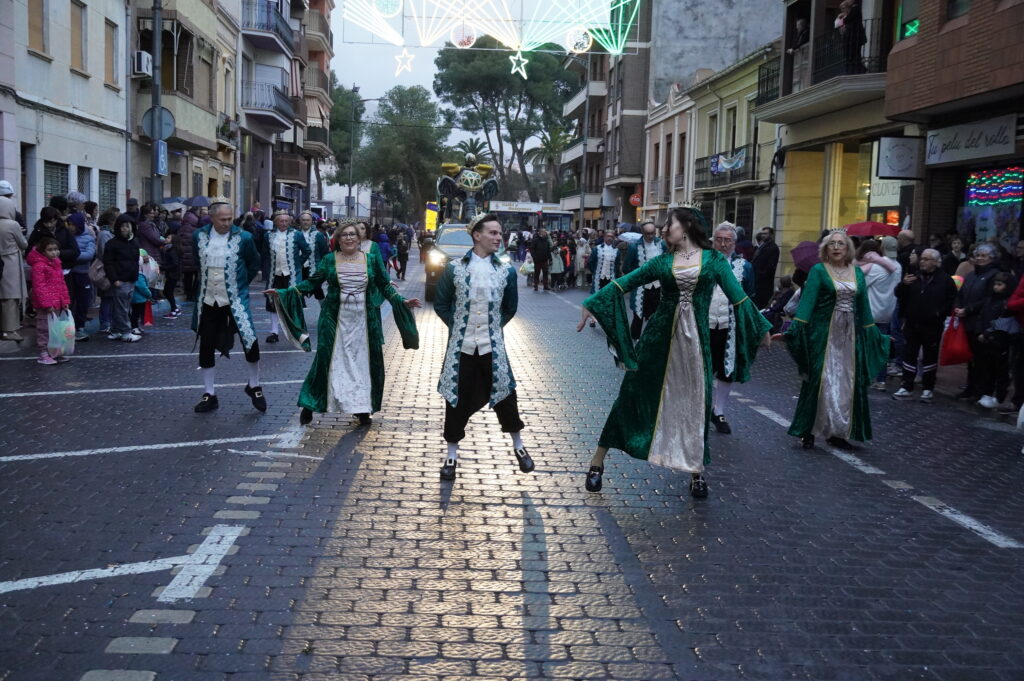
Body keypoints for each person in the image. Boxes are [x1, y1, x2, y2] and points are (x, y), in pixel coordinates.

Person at [577, 207, 770, 498]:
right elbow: (622, 284)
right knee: (632, 396)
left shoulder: (714, 260)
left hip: (696, 347)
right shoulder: (663, 261)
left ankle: (696, 472)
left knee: (696, 405)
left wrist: (761, 327)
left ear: (688, 226)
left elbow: (739, 298)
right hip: (657, 343)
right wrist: (591, 303)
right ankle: (596, 462)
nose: (665, 229)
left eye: (671, 224)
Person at [269, 221, 421, 426]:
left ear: (359, 239)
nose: (349, 238)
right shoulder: (329, 260)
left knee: (363, 364)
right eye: (344, 235)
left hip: (364, 321)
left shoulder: (371, 259)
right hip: (334, 319)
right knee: (325, 360)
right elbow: (312, 283)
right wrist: (284, 293)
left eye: (352, 234)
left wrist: (401, 301)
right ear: (338, 240)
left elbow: (384, 285)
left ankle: (362, 408)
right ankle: (310, 404)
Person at [434, 214, 534, 482]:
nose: (498, 238)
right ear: (477, 235)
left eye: (500, 233)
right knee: (455, 398)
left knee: (505, 393)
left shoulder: (506, 271)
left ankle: (519, 446)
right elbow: (441, 303)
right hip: (462, 347)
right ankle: (451, 457)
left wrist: (493, 328)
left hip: (492, 347)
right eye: (493, 233)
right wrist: (458, 326)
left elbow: (510, 308)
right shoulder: (454, 269)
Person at [781, 231, 889, 450]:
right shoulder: (819, 271)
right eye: (832, 244)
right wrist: (794, 329)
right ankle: (808, 430)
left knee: (847, 383)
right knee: (818, 381)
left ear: (848, 248)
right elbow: (807, 304)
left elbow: (863, 307)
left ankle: (838, 432)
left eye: (841, 244)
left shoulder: (857, 272)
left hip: (850, 337)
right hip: (822, 335)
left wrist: (874, 333)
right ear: (826, 249)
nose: (837, 247)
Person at [191, 202, 265, 413]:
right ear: (212, 218)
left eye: (229, 219)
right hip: (208, 299)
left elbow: (254, 263)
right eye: (222, 219)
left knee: (250, 339)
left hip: (235, 299)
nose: (227, 223)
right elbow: (198, 262)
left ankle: (254, 385)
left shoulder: (245, 237)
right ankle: (209, 393)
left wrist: (240, 284)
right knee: (206, 344)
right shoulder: (198, 236)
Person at [707, 223, 757, 435]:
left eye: (727, 240)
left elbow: (749, 296)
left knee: (726, 369)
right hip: (705, 323)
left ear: (734, 243)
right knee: (702, 368)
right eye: (719, 239)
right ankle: (699, 409)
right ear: (713, 242)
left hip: (730, 326)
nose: (723, 244)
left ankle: (718, 411)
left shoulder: (744, 267)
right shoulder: (704, 263)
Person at [892, 248, 957, 402]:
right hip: (912, 322)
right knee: (909, 354)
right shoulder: (914, 276)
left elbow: (951, 301)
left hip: (932, 325)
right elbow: (898, 294)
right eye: (922, 259)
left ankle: (928, 389)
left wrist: (938, 313)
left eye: (926, 259)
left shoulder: (946, 280)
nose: (922, 262)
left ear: (936, 262)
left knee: (930, 356)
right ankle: (906, 386)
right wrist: (903, 284)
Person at [954, 244, 1001, 400]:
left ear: (992, 258)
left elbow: (988, 299)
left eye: (983, 256)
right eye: (978, 255)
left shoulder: (994, 275)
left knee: (982, 359)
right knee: (971, 358)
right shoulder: (971, 275)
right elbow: (960, 293)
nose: (980, 258)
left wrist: (968, 309)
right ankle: (970, 387)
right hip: (967, 321)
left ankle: (980, 390)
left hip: (982, 322)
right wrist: (958, 307)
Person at [857, 237, 901, 390]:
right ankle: (881, 380)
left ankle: (866, 377)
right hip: (888, 311)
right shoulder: (898, 266)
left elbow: (861, 284)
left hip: (871, 311)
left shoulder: (876, 267)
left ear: (882, 248)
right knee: (882, 346)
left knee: (866, 346)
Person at [263, 211, 311, 343]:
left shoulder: (297, 234)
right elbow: (265, 254)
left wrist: (298, 264)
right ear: (276, 222)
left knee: (293, 302)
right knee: (273, 302)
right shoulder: (268, 235)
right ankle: (274, 332)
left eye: (286, 221)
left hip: (292, 274)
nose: (284, 223)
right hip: (275, 275)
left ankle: (297, 332)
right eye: (281, 221)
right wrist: (266, 269)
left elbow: (307, 250)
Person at [974, 272, 1020, 409]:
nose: (996, 287)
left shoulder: (1007, 304)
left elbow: (1003, 321)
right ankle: (986, 393)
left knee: (1001, 370)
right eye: (995, 284)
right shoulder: (990, 300)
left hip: (1001, 341)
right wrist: (981, 331)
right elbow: (982, 316)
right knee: (987, 368)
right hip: (988, 340)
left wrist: (987, 333)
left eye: (1000, 284)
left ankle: (999, 397)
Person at [27, 237, 72, 364]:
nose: (54, 252)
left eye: (56, 249)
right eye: (50, 250)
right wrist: (46, 304)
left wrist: (65, 300)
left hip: (58, 302)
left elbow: (62, 284)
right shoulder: (39, 266)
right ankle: (44, 353)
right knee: (45, 329)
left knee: (57, 329)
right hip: (46, 305)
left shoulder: (56, 264)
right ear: (43, 252)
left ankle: (55, 352)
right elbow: (39, 287)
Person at [622, 220, 667, 340]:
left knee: (656, 315)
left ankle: (652, 340)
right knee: (638, 316)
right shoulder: (634, 247)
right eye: (648, 233)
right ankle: (634, 339)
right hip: (641, 288)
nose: (651, 236)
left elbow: (667, 262)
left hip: (658, 287)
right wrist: (638, 276)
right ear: (642, 232)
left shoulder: (661, 244)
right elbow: (626, 268)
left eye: (653, 233)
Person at [103, 215, 142, 343]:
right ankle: (126, 332)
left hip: (131, 279)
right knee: (122, 308)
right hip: (120, 280)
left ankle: (115, 330)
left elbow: (135, 260)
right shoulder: (112, 244)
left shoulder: (134, 242)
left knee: (122, 306)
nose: (124, 229)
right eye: (122, 226)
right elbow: (108, 263)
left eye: (127, 226)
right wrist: (114, 279)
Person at [0, 196, 28, 342]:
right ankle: (9, 330)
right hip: (10, 262)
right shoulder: (12, 224)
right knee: (10, 298)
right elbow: (23, 244)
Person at [69, 211, 97, 341]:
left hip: (82, 274)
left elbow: (89, 255)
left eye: (72, 224)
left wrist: (73, 256)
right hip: (69, 274)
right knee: (70, 302)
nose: (70, 227)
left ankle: (80, 327)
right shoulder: (67, 236)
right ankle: (69, 328)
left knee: (82, 302)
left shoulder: (88, 238)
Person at [298, 211, 329, 300]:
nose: (305, 222)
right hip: (299, 267)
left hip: (314, 267)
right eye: (303, 220)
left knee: (317, 290)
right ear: (300, 221)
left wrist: (322, 268)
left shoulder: (318, 235)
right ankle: (299, 308)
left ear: (312, 221)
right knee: (298, 291)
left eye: (308, 220)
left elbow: (324, 252)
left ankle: (323, 308)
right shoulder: (295, 233)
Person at [752, 227, 780, 309]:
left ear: (771, 235)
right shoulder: (762, 246)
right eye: (762, 233)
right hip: (757, 281)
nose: (763, 235)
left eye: (765, 234)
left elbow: (771, 267)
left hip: (764, 283)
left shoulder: (773, 247)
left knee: (761, 305)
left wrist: (760, 275)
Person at [178, 207, 200, 301]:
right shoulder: (196, 229)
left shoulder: (181, 228)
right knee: (198, 276)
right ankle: (194, 294)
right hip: (194, 257)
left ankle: (188, 294)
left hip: (184, 257)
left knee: (187, 276)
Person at [160, 235, 182, 319]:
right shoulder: (169, 249)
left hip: (173, 274)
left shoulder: (172, 250)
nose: (166, 238)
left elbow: (175, 264)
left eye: (169, 238)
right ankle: (175, 309)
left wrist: (163, 268)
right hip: (172, 274)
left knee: (168, 292)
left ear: (173, 240)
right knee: (167, 292)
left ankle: (174, 311)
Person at [129, 265, 154, 337]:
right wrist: (149, 294)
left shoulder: (134, 274)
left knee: (136, 313)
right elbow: (142, 287)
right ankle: (134, 327)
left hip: (136, 298)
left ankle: (136, 326)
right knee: (136, 313)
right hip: (139, 298)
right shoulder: (139, 275)